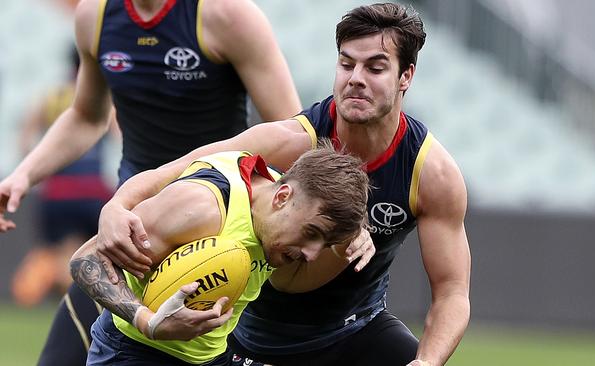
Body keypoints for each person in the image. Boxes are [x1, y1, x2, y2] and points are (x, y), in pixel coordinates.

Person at [96, 3, 471, 366]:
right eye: (346, 64)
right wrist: (116, 206)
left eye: (375, 68)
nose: (356, 78)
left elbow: (452, 292)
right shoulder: (288, 143)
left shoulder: (431, 174)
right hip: (251, 333)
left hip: (356, 329)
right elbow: (178, 169)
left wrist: (428, 361)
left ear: (406, 76)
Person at [0, 0, 301, 364]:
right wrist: (23, 175)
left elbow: (291, 133)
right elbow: (86, 116)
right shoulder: (94, 16)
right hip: (131, 235)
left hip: (216, 240)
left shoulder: (228, 15)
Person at [71, 144, 370, 365]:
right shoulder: (203, 209)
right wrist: (147, 321)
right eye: (312, 233)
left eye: (324, 243)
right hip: (134, 353)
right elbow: (87, 260)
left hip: (210, 358)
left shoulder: (283, 199)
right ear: (282, 197)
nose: (312, 254)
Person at [11, 46, 115, 307]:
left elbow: (25, 142)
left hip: (57, 191)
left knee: (55, 250)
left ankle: (35, 290)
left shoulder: (52, 96)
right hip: (93, 190)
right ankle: (77, 296)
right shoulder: (103, 97)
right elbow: (119, 135)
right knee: (96, 252)